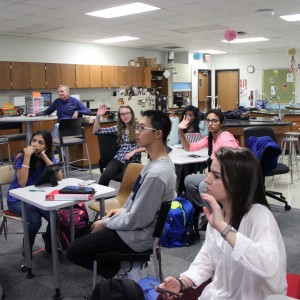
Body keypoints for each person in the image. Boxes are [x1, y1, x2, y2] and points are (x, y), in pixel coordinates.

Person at [158, 147, 287, 300]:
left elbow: (270, 265)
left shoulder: (259, 215)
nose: (207, 179)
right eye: (210, 171)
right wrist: (182, 282)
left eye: (216, 176)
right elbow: (206, 260)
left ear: (238, 183)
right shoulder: (220, 213)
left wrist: (223, 228)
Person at [67, 110, 176, 279]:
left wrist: (106, 223)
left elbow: (138, 219)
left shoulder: (156, 174)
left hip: (136, 237)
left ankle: (121, 271)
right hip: (133, 227)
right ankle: (123, 263)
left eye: (141, 127)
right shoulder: (155, 163)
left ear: (158, 134)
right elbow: (135, 202)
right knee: (82, 233)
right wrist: (118, 213)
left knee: (73, 251)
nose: (137, 131)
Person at [179, 109, 239, 240]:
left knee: (202, 186)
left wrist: (215, 176)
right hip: (215, 176)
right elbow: (189, 148)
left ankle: (219, 220)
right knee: (189, 180)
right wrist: (180, 131)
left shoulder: (226, 139)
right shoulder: (211, 137)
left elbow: (234, 164)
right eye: (208, 121)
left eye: (214, 121)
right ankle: (203, 212)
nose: (210, 123)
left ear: (221, 123)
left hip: (228, 178)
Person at [7, 130, 64, 254]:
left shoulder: (47, 157)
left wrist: (44, 157)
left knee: (55, 219)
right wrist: (27, 156)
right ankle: (27, 247)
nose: (35, 145)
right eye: (33, 141)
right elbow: (22, 183)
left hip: (37, 196)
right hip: (18, 198)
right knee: (35, 220)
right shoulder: (21, 156)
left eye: (40, 142)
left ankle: (48, 240)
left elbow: (60, 177)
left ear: (46, 146)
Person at [93, 104, 145, 186]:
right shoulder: (118, 128)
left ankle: (125, 198)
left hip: (133, 159)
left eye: (127, 113)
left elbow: (148, 146)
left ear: (131, 114)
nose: (125, 116)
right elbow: (96, 131)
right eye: (122, 114)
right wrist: (98, 117)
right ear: (120, 117)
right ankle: (100, 198)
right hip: (120, 158)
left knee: (126, 179)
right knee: (105, 176)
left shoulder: (139, 127)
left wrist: (134, 151)